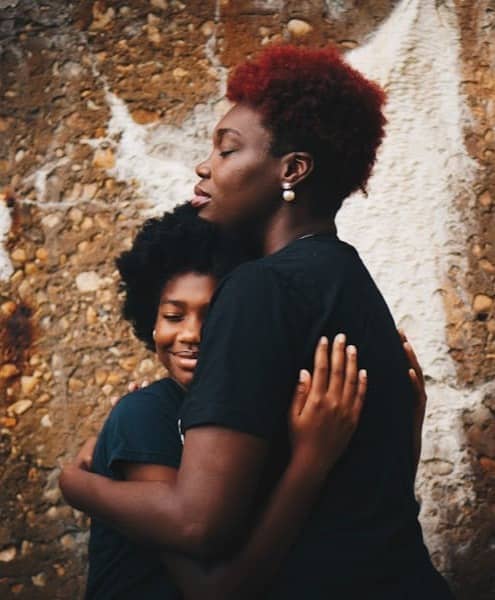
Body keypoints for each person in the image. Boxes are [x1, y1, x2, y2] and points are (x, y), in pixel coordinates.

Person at [60, 45, 454, 598]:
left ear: (292, 170)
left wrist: (76, 484)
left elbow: (199, 524)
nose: (205, 166)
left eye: (226, 150)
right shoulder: (350, 281)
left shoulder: (259, 288)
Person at [83, 203, 367, 599]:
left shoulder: (250, 415)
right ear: (150, 320)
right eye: (174, 315)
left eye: (214, 315)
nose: (192, 334)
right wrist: (311, 461)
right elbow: (214, 590)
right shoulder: (146, 414)